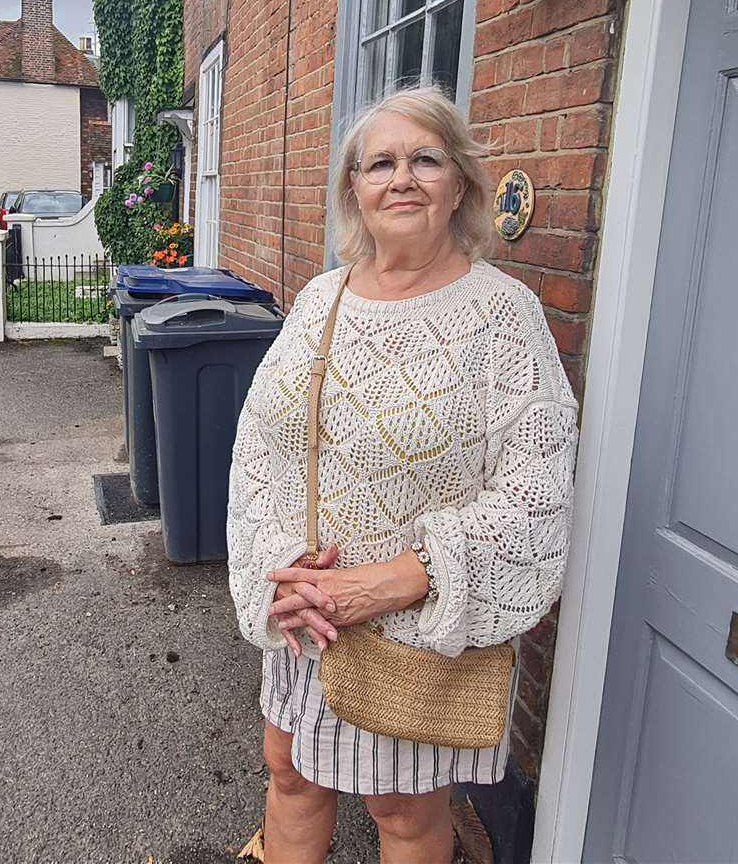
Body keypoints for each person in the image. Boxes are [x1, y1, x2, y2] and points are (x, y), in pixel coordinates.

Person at [227, 87, 578, 864]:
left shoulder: (502, 316)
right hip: (305, 619)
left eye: (425, 158)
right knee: (288, 774)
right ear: (354, 187)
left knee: (404, 813)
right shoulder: (322, 298)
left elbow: (537, 492)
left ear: (461, 182)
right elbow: (261, 447)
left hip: (418, 631)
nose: (402, 179)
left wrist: (401, 578)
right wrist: (278, 571)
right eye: (379, 163)